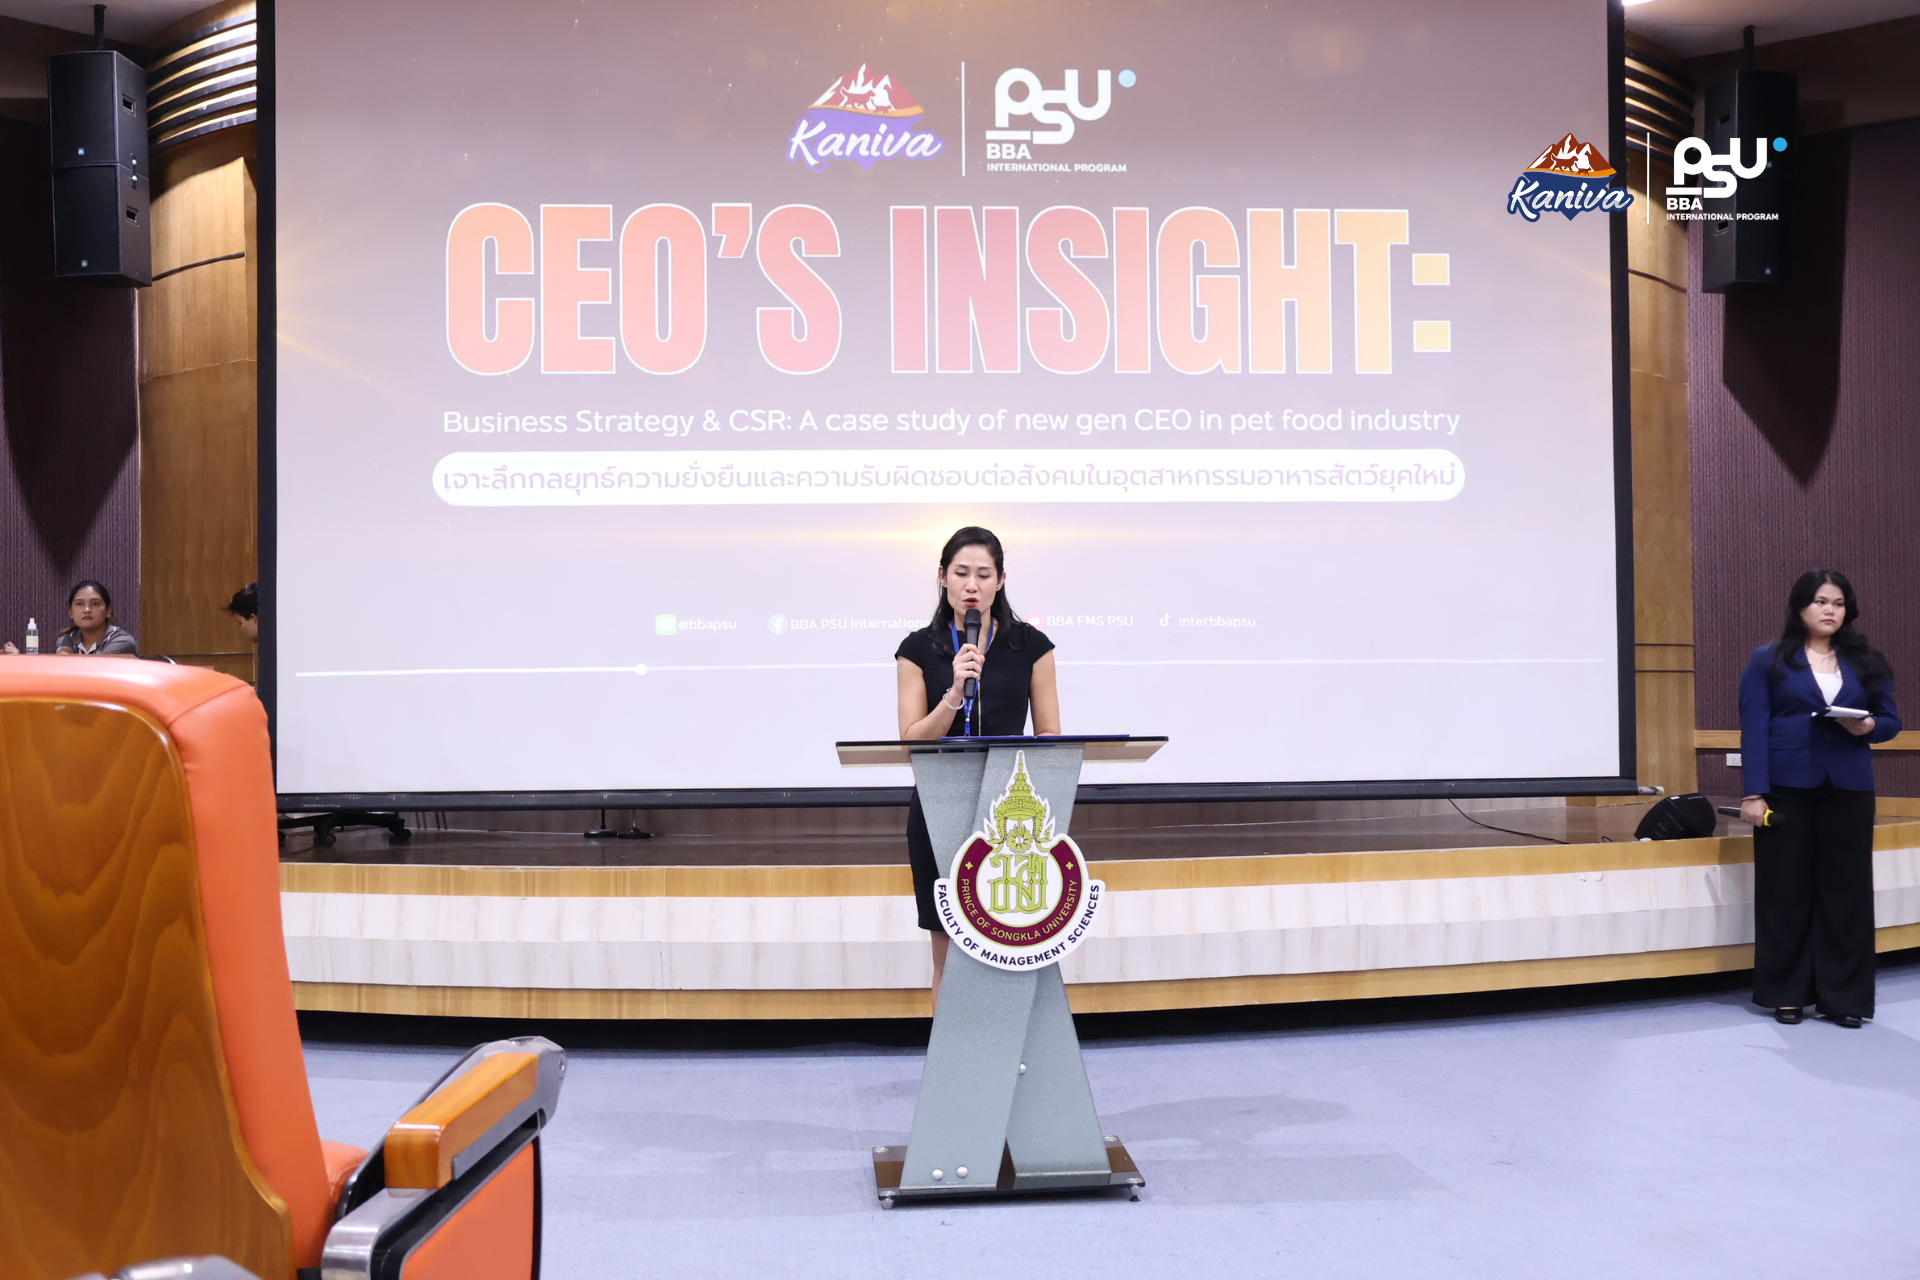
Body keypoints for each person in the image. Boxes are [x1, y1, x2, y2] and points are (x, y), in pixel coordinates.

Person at [894, 527, 1059, 1010]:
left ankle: (1005, 1048)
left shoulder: (1031, 646)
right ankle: (953, 1055)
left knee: (1010, 941)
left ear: (1001, 580)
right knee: (948, 951)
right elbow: (911, 740)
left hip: (1011, 816)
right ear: (942, 577)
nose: (972, 585)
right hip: (938, 806)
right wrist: (953, 693)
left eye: (983, 575)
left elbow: (1050, 734)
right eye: (961, 573)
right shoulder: (918, 649)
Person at [1739, 570, 1900, 1028]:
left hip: (1848, 789)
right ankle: (1787, 994)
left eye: (1838, 603)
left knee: (1847, 892)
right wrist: (1754, 792)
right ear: (1800, 607)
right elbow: (1754, 728)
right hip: (1787, 789)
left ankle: (1844, 999)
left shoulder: (1867, 661)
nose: (1830, 610)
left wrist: (1868, 726)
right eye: (1820, 601)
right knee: (1784, 890)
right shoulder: (1767, 660)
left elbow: (1890, 721)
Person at [1, 581, 137, 656]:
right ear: (71, 613)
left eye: (95, 604)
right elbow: (63, 664)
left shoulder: (122, 641)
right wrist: (19, 660)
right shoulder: (67, 638)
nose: (87, 609)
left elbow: (95, 668)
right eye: (79, 604)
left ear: (108, 611)